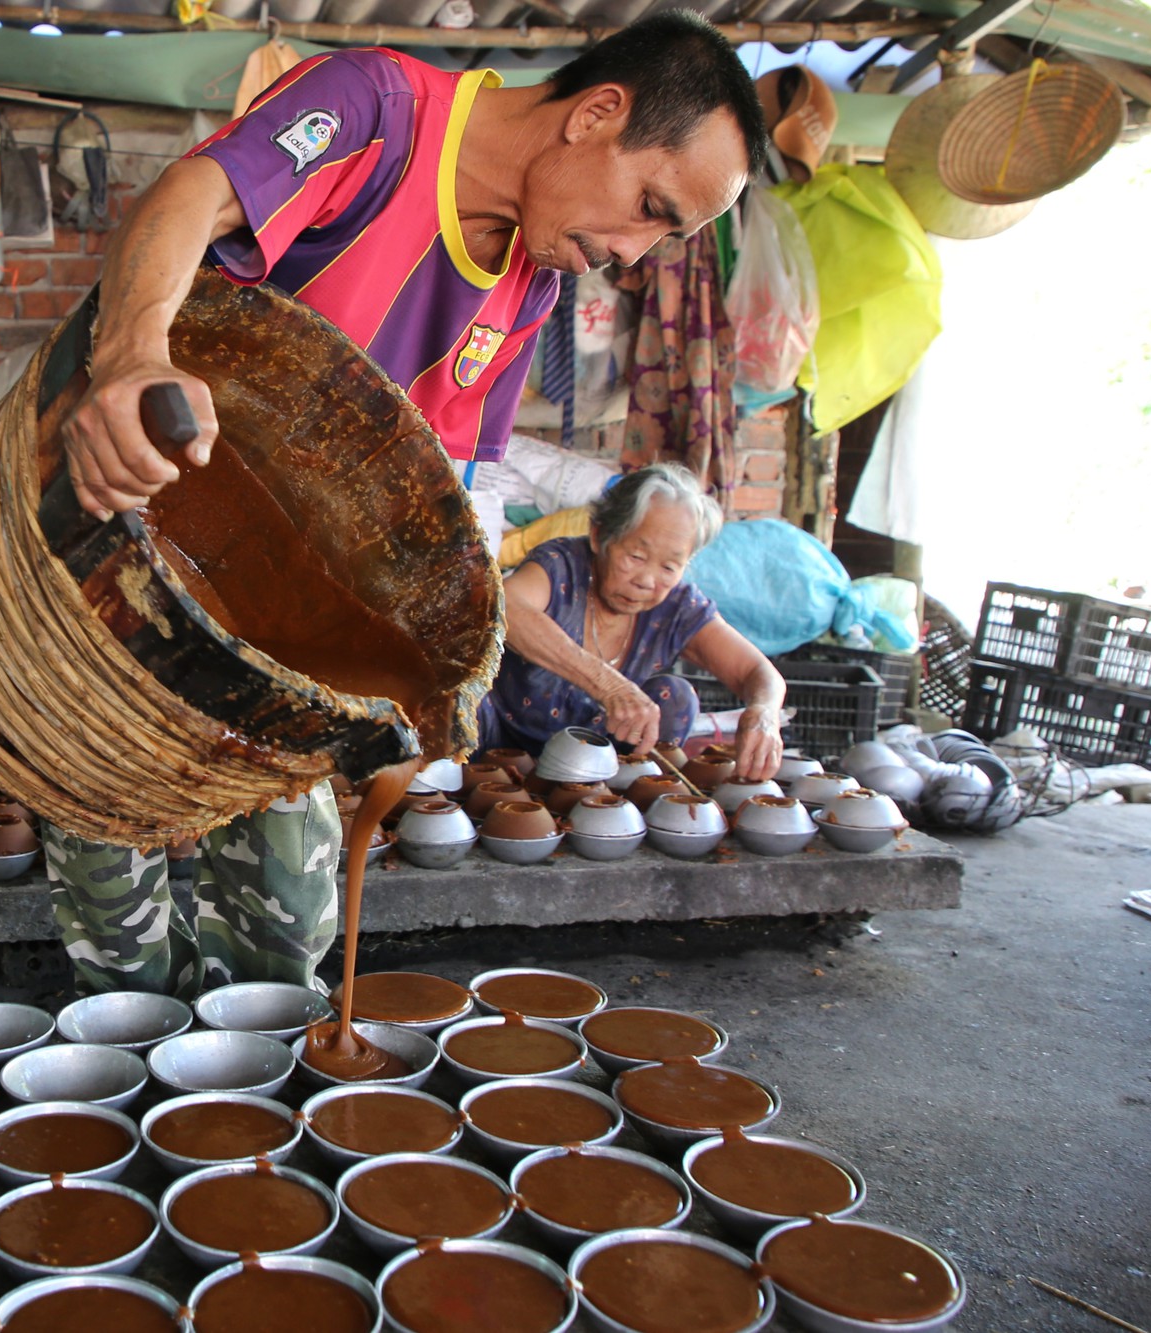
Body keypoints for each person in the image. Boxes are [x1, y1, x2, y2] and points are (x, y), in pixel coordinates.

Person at [47, 13, 769, 997]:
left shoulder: (524, 297)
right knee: (117, 912)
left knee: (287, 923)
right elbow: (190, 196)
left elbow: (444, 501)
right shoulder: (375, 113)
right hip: (138, 556)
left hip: (286, 627)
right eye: (648, 206)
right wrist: (132, 354)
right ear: (596, 113)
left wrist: (442, 649)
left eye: (664, 236)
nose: (634, 253)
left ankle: (251, 1105)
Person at [478, 463, 787, 781]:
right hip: (503, 754)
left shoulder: (678, 605)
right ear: (599, 537)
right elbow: (506, 608)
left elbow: (758, 672)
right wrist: (609, 685)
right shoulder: (562, 566)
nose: (647, 580)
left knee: (675, 695)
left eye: (669, 567)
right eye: (636, 557)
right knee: (460, 692)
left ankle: (630, 806)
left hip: (604, 770)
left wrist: (764, 714)